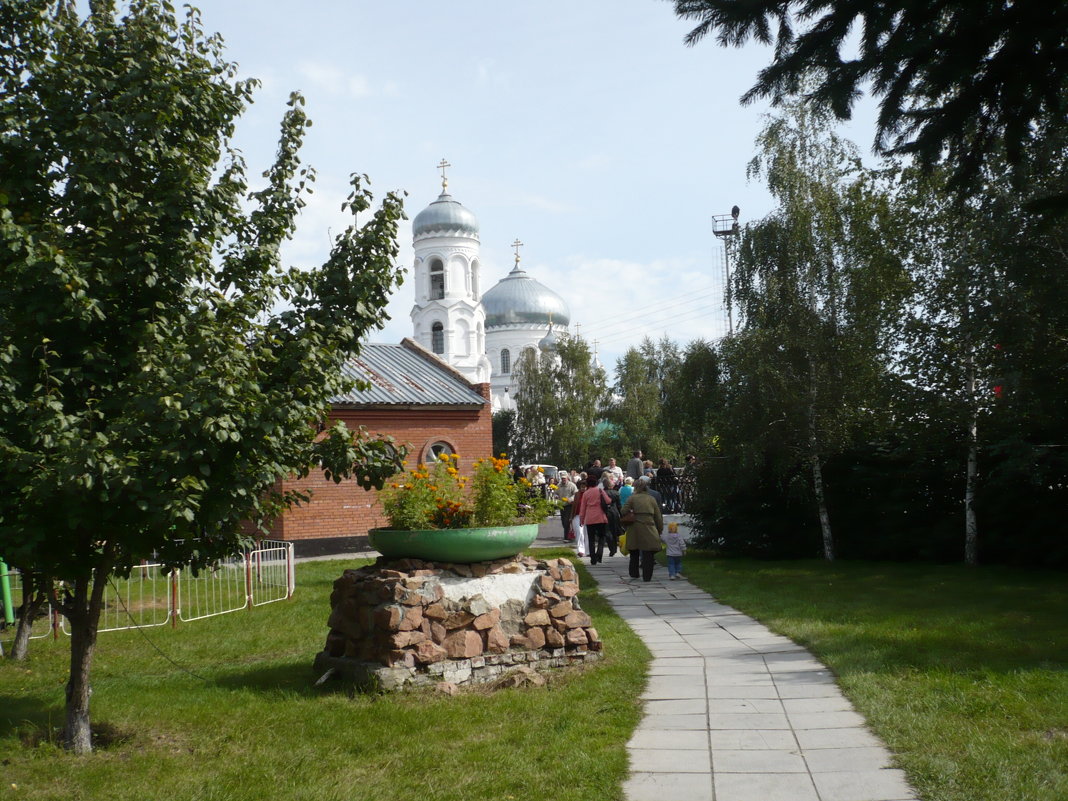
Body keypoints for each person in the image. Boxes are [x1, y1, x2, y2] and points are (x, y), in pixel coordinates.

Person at [620, 476, 664, 582]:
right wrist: (659, 529)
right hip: (649, 526)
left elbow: (623, 511)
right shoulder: (651, 499)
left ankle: (634, 573)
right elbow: (658, 516)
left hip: (634, 527)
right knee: (648, 553)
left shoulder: (632, 498)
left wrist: (632, 512)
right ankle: (647, 576)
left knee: (634, 552)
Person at [577, 471, 612, 564]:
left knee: (591, 538)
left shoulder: (586, 493)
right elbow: (608, 501)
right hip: (600, 516)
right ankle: (599, 554)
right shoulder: (600, 490)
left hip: (589, 518)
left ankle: (592, 558)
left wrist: (581, 519)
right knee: (601, 537)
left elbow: (583, 508)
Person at [601, 475, 623, 556]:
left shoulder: (602, 493)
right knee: (614, 530)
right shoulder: (616, 493)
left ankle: (611, 548)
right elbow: (619, 505)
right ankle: (614, 547)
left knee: (607, 531)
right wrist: (622, 515)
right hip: (615, 513)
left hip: (605, 513)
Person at [557, 471, 578, 540]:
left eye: (564, 478)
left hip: (569, 505)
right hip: (561, 505)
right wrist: (556, 497)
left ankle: (566, 537)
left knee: (567, 521)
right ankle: (568, 535)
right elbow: (555, 493)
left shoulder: (572, 485)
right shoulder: (558, 485)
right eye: (562, 478)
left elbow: (576, 494)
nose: (563, 480)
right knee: (563, 522)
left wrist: (570, 499)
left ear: (567, 478)